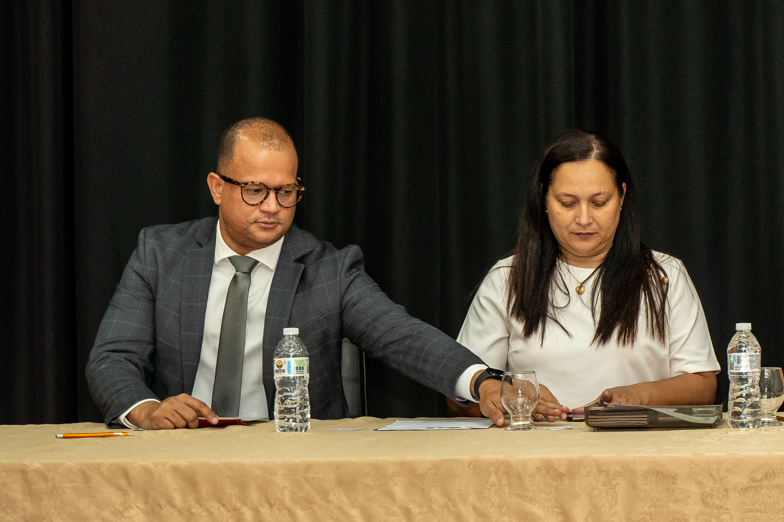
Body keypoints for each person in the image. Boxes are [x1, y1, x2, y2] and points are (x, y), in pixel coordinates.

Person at [88, 118, 505, 428]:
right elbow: (113, 358)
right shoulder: (161, 254)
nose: (272, 207)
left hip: (292, 463)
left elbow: (402, 335)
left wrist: (482, 381)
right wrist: (147, 411)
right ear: (217, 187)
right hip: (181, 456)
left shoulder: (330, 269)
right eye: (255, 190)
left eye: (286, 191)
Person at [455, 130, 718, 421]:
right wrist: (506, 397)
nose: (583, 219)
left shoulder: (663, 275)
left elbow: (702, 384)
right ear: (544, 199)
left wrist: (634, 397)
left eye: (599, 202)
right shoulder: (507, 279)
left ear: (622, 196)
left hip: (637, 443)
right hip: (534, 446)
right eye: (568, 203)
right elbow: (460, 393)